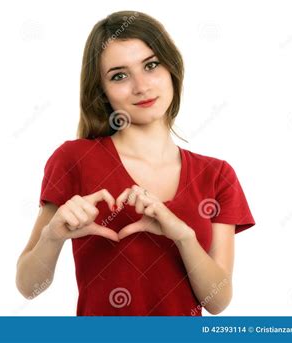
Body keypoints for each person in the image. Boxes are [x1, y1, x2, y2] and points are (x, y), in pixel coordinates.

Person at [16, 10, 255, 316]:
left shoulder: (218, 175)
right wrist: (53, 236)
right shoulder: (73, 159)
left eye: (151, 65)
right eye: (119, 75)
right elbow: (27, 285)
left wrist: (183, 236)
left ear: (172, 68)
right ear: (102, 91)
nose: (141, 86)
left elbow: (217, 302)